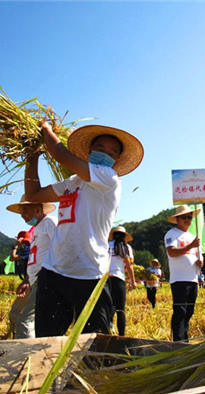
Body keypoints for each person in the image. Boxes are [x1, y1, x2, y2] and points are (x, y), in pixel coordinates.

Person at [25, 122, 143, 337]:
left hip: (89, 273)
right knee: (46, 342)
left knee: (96, 344)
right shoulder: (72, 182)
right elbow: (33, 195)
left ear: (116, 160)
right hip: (54, 271)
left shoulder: (110, 179)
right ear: (89, 151)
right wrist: (32, 157)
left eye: (112, 151)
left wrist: (45, 129)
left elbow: (60, 154)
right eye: (100, 147)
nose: (106, 153)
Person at [6, 195, 57, 338]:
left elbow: (61, 247)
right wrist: (27, 280)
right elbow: (35, 257)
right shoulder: (35, 230)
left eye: (25, 211)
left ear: (37, 209)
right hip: (34, 281)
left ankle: (25, 356)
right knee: (17, 314)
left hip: (45, 279)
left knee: (25, 321)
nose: (22, 215)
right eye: (21, 212)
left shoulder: (50, 223)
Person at [164, 205, 203, 342]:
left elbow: (198, 256)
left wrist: (200, 263)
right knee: (180, 311)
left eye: (189, 217)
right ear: (177, 220)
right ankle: (178, 341)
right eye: (184, 217)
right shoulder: (171, 234)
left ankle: (184, 338)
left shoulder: (193, 236)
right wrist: (190, 246)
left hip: (193, 278)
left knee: (189, 311)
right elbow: (172, 252)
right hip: (179, 279)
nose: (187, 219)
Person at [108, 226, 137, 336]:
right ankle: (122, 336)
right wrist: (132, 281)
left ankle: (107, 328)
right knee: (121, 310)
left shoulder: (107, 246)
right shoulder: (126, 247)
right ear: (125, 236)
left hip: (105, 280)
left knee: (109, 306)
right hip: (119, 279)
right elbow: (129, 266)